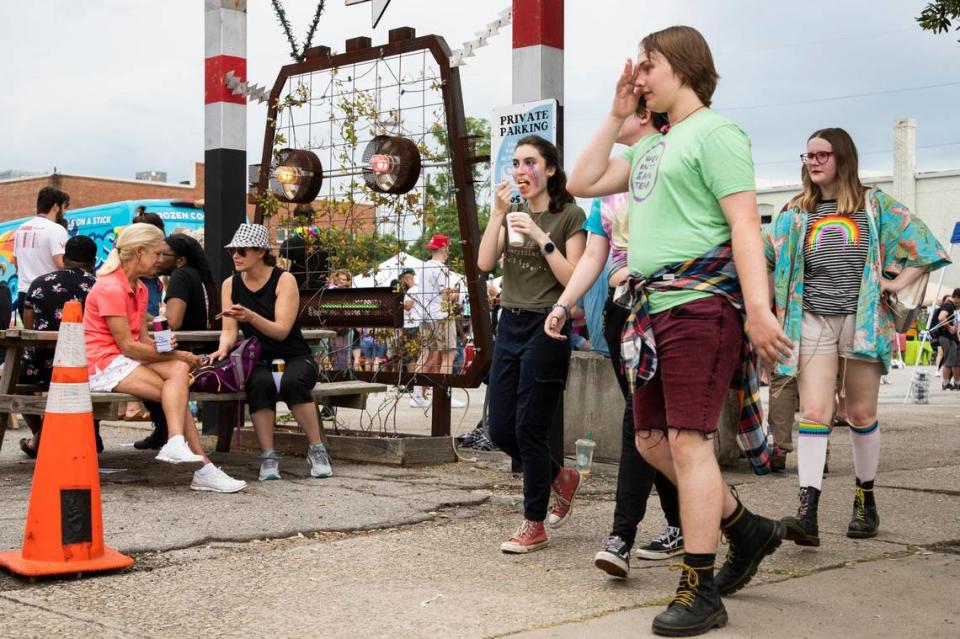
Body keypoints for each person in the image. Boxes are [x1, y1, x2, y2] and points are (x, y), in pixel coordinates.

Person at [553, 27, 791, 636]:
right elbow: (578, 183)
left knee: (687, 442)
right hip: (652, 309)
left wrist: (759, 310)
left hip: (701, 304)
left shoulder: (717, 134)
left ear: (683, 67)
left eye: (648, 66)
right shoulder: (650, 143)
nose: (640, 78)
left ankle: (700, 585)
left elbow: (744, 226)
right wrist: (615, 112)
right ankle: (748, 528)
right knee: (652, 442)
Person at [765, 128, 949, 548]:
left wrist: (894, 283)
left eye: (821, 155)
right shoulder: (795, 211)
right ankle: (807, 510)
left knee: (861, 414)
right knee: (814, 410)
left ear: (843, 158)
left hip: (862, 319)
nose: (812, 162)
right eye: (807, 155)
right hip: (811, 318)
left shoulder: (875, 205)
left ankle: (865, 498)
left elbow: (925, 246)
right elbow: (762, 253)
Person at [541, 102, 684, 578]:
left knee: (640, 425)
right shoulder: (613, 185)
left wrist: (640, 267)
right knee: (648, 426)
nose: (614, 116)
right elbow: (593, 256)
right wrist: (565, 304)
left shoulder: (673, 160)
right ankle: (690, 520)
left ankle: (621, 535)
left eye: (623, 110)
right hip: (621, 314)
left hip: (664, 307)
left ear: (647, 116)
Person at [478, 134, 587, 554]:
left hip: (549, 324)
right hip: (511, 322)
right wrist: (498, 214)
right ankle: (561, 477)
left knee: (530, 426)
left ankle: (533, 523)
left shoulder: (570, 216)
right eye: (517, 164)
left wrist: (542, 237)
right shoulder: (514, 213)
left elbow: (571, 278)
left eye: (530, 163)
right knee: (502, 428)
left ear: (551, 169)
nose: (522, 171)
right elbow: (486, 262)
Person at [83, 223, 246, 493]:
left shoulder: (140, 288)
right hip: (103, 363)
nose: (161, 260)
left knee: (178, 380)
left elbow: (141, 341)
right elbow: (128, 346)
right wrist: (177, 353)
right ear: (138, 252)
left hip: (121, 359)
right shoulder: (111, 287)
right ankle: (198, 463)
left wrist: (165, 349)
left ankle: (179, 445)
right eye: (156, 254)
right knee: (176, 391)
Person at [210, 223, 333, 482]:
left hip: (295, 355)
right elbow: (229, 330)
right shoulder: (230, 284)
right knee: (260, 383)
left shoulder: (284, 279)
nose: (235, 256)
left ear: (261, 252)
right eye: (233, 250)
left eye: (242, 251)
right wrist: (222, 349)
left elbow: (281, 331)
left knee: (292, 382)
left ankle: (317, 449)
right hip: (259, 358)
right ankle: (268, 456)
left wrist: (251, 316)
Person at [18, 235, 99, 458]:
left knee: (13, 379)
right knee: (102, 369)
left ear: (64, 258)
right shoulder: (99, 287)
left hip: (40, 367)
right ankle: (91, 433)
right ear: (93, 261)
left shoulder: (39, 283)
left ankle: (40, 434)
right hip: (87, 367)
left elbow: (28, 330)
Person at [412, 235, 465, 408]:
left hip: (425, 315)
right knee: (448, 356)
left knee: (426, 354)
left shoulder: (423, 268)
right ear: (445, 248)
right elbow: (446, 296)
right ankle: (443, 396)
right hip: (441, 316)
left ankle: (417, 394)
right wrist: (459, 295)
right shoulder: (442, 270)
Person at [13, 187, 70, 320]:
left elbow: (16, 264)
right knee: (51, 340)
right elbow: (61, 264)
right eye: (63, 207)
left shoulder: (21, 228)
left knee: (31, 339)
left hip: (24, 294)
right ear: (56, 206)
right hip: (48, 294)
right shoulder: (57, 229)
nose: (65, 212)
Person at [161, 233, 220, 331]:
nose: (158, 259)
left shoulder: (180, 275)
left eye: (162, 254)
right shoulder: (198, 276)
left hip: (185, 345)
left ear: (180, 260)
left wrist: (142, 326)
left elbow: (172, 323)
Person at [935, 288, 960, 390]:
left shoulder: (952, 306)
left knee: (952, 360)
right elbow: (941, 317)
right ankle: (948, 383)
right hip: (946, 336)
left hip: (949, 337)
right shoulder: (948, 305)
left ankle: (949, 383)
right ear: (957, 297)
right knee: (951, 361)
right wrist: (950, 327)